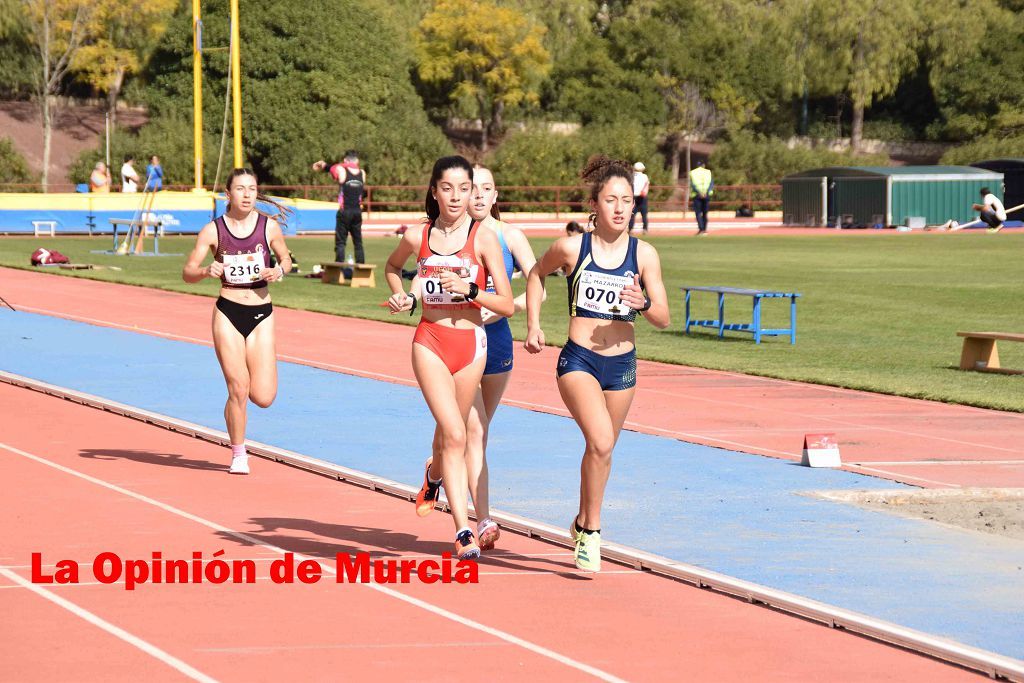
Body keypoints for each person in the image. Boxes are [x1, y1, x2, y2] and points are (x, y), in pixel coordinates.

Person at [524, 155, 670, 572]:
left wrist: (644, 304)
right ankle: (592, 534)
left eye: (626, 199)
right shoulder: (573, 247)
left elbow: (663, 317)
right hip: (579, 359)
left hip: (622, 366)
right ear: (595, 203)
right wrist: (533, 325)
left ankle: (581, 520)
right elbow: (536, 274)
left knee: (601, 450)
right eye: (611, 199)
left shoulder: (645, 256)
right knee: (602, 441)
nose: (620, 208)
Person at [384, 156, 514, 560]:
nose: (457, 197)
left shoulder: (485, 238)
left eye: (465, 189)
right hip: (431, 341)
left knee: (450, 436)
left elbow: (507, 303)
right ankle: (462, 530)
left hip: (472, 345)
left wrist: (471, 290)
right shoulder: (418, 236)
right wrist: (403, 296)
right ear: (435, 191)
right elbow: (392, 267)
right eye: (448, 188)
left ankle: (433, 474)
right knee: (456, 434)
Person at [181, 168, 293, 475]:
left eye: (252, 189)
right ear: (228, 194)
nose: (247, 194)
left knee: (264, 396)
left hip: (262, 312)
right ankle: (239, 452)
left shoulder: (268, 227)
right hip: (228, 311)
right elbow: (187, 272)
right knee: (239, 387)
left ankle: (237, 411)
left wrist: (279, 271)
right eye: (241, 189)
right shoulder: (213, 231)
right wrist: (205, 271)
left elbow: (285, 258)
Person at [455, 164, 541, 550]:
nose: (476, 196)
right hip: (458, 343)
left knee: (478, 433)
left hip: (497, 344)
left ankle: (436, 469)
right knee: (472, 431)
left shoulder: (510, 236)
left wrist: (511, 310)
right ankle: (483, 519)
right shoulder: (451, 235)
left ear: (495, 196)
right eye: (471, 188)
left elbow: (539, 287)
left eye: (484, 189)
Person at [312, 150, 366, 264]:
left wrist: (323, 164)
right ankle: (361, 268)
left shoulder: (342, 170)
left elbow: (333, 169)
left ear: (346, 160)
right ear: (357, 161)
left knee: (341, 242)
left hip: (345, 211)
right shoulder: (362, 173)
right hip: (357, 212)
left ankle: (339, 266)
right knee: (358, 242)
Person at [690, 160, 713, 235]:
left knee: (698, 213)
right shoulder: (708, 172)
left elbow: (692, 184)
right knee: (705, 213)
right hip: (706, 195)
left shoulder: (693, 172)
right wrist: (706, 192)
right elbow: (711, 183)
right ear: (704, 165)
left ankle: (701, 229)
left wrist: (699, 192)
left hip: (697, 195)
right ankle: (705, 229)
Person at [628, 161, 650, 234]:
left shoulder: (631, 176)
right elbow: (646, 186)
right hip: (642, 197)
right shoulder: (645, 176)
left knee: (632, 214)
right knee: (644, 214)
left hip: (633, 197)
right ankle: (645, 229)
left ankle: (630, 229)